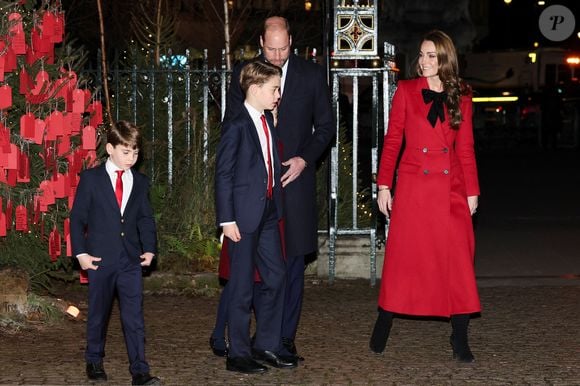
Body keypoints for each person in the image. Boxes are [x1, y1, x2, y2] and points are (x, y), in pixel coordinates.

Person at [223, 16, 334, 361]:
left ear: (291, 42)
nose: (276, 55)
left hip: (295, 184)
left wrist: (304, 159)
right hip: (256, 187)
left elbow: (326, 127)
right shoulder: (245, 73)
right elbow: (232, 125)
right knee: (256, 269)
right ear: (261, 42)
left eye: (283, 48)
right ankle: (256, 338)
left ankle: (283, 338)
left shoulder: (312, 75)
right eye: (270, 48)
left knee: (292, 265)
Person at [369, 30, 481, 363]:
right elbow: (392, 142)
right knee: (404, 262)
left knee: (458, 264)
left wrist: (472, 190)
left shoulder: (461, 94)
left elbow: (466, 148)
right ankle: (384, 322)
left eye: (431, 55)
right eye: (421, 54)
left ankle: (459, 336)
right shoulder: (405, 91)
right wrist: (384, 186)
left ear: (445, 58)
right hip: (416, 189)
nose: (424, 61)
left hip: (451, 192)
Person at [215, 59, 297, 374]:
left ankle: (265, 344)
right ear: (255, 88)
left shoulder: (265, 121)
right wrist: (227, 220)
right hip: (242, 218)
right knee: (241, 287)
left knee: (277, 277)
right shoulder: (236, 125)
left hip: (267, 214)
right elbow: (223, 175)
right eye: (274, 88)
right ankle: (237, 354)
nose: (279, 94)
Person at [70, 121, 161, 385]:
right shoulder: (91, 179)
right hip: (99, 259)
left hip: (130, 260)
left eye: (135, 152)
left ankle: (140, 370)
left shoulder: (140, 182)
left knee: (134, 317)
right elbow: (77, 219)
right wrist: (81, 253)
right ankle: (94, 360)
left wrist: (150, 248)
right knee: (99, 313)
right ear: (110, 148)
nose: (131, 158)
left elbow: (145, 218)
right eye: (125, 152)